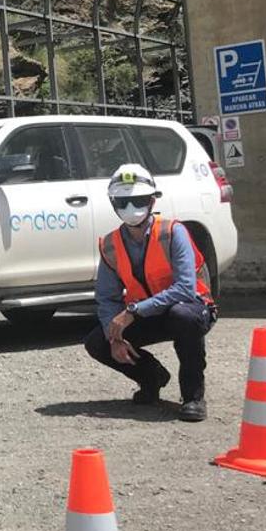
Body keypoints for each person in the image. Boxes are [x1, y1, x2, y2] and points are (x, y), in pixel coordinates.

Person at [84, 163, 217, 422]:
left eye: (138, 200)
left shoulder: (173, 232)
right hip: (147, 314)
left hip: (191, 308)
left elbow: (185, 288)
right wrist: (115, 338)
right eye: (123, 202)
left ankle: (193, 397)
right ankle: (151, 377)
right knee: (96, 341)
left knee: (184, 317)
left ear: (152, 200)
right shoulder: (110, 244)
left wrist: (133, 312)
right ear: (113, 204)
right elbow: (107, 297)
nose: (131, 208)